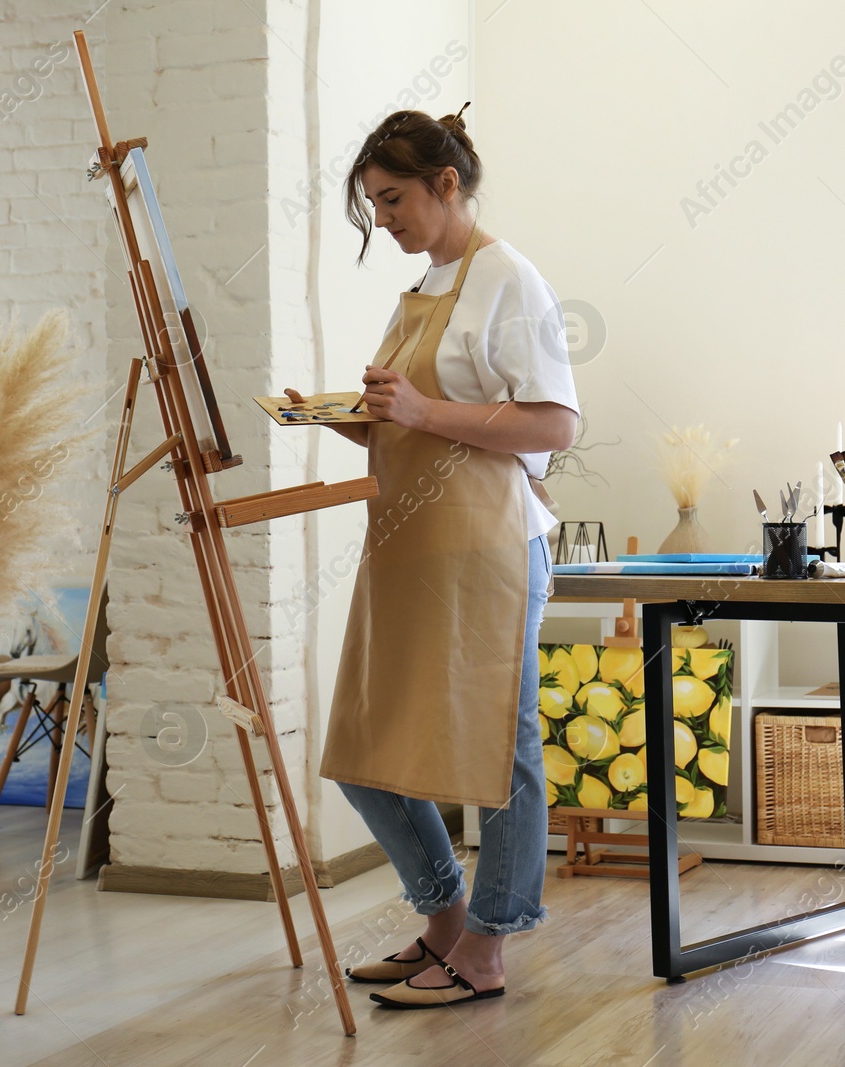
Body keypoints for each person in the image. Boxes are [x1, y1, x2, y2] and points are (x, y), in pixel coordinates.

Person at [288, 104, 579, 1010]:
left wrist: (415, 413)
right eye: (373, 203)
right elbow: (404, 424)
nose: (384, 218)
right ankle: (444, 917)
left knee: (500, 747)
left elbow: (556, 424)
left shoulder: (508, 279)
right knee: (366, 743)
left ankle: (487, 948)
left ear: (446, 184)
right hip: (407, 544)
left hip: (488, 547)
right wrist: (340, 417)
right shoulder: (427, 283)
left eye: (392, 198)